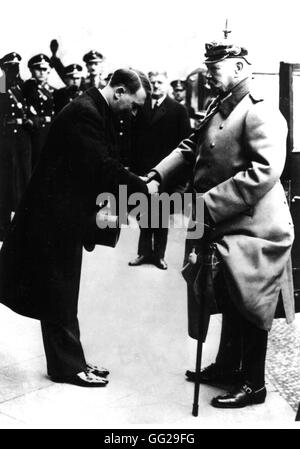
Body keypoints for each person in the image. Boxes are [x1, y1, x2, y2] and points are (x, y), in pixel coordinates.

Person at [146, 40, 295, 407]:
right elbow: (189, 146)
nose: (210, 73)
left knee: (252, 301)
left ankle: (253, 383)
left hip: (256, 226)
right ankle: (228, 366)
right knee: (228, 294)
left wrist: (206, 205)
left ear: (241, 67)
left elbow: (264, 172)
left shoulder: (260, 111)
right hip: (227, 221)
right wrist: (155, 176)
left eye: (216, 67)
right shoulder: (222, 103)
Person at [0, 68, 153, 387]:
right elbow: (102, 166)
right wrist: (141, 188)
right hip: (53, 219)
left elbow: (103, 162)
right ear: (120, 91)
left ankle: (69, 362)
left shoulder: (94, 109)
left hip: (59, 216)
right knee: (59, 292)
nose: (135, 112)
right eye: (135, 104)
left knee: (60, 292)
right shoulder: (86, 113)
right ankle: (69, 367)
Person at [129, 70, 191, 270]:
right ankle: (143, 253)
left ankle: (159, 256)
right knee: (144, 214)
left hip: (167, 173)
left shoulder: (178, 110)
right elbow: (132, 138)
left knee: (161, 215)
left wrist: (176, 176)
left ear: (166, 84)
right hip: (143, 172)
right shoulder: (140, 106)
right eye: (152, 82)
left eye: (160, 82)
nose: (156, 85)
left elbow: (184, 145)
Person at [0, 52, 32, 241]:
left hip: (23, 139)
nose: (15, 69)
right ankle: (4, 227)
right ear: (4, 68)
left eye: (17, 66)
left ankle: (22, 226)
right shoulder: (2, 87)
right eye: (11, 66)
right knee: (5, 183)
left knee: (24, 181)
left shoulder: (23, 87)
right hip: (6, 140)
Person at [22, 54, 56, 168]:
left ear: (49, 71)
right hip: (34, 132)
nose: (42, 72)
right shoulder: (25, 88)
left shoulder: (53, 91)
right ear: (31, 70)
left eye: (44, 69)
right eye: (38, 69)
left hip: (50, 131)